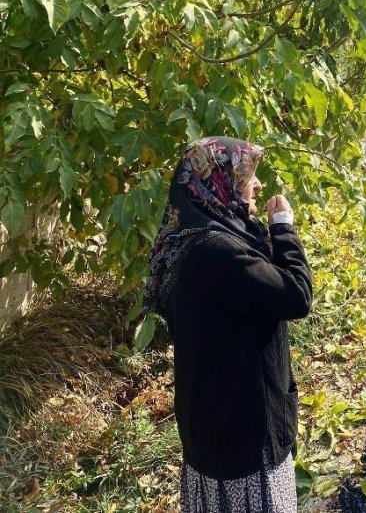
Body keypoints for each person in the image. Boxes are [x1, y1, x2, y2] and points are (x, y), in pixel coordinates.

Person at [143, 136, 313, 513]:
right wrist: (284, 227)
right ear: (218, 184)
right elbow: (296, 295)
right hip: (244, 440)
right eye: (247, 175)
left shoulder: (189, 241)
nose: (257, 184)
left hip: (213, 429)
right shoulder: (219, 254)